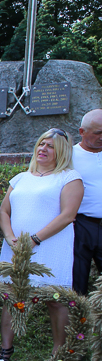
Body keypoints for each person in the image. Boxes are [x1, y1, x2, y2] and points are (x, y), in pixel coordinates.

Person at [0, 129, 83, 357]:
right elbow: (4, 211)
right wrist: (9, 237)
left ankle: (59, 354)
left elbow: (68, 215)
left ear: (61, 151)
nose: (43, 149)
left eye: (51, 146)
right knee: (10, 296)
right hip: (15, 247)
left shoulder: (69, 177)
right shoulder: (21, 178)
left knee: (55, 300)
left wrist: (35, 239)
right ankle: (5, 351)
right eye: (41, 144)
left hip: (50, 247)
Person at [72, 108, 102, 295]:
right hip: (81, 225)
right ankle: (77, 322)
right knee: (78, 281)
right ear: (82, 132)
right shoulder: (69, 156)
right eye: (98, 133)